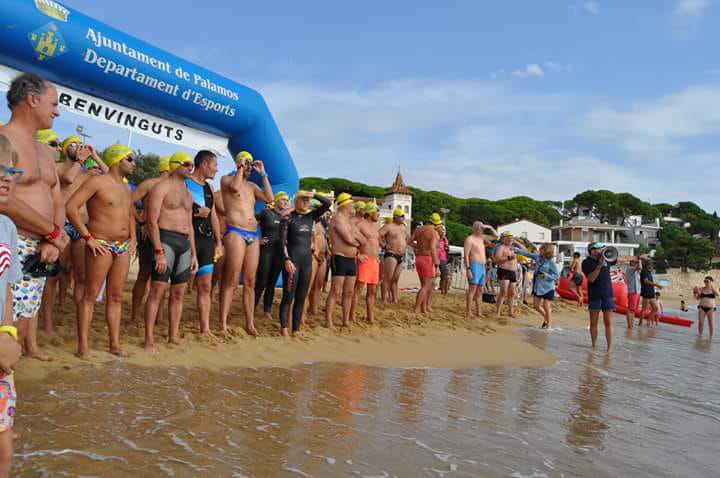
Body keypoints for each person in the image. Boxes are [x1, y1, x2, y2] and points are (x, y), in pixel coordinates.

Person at [1, 72, 64, 362]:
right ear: (32, 99)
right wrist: (52, 233)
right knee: (4, 327)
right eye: (54, 103)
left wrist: (52, 240)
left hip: (41, 249)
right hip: (8, 245)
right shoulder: (3, 140)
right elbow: (5, 199)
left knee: (21, 328)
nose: (57, 110)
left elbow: (57, 199)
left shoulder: (45, 152)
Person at [66, 144, 136, 359]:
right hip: (101, 243)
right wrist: (87, 237)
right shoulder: (97, 182)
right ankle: (83, 346)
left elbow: (130, 214)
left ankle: (114, 344)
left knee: (115, 296)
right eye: (130, 159)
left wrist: (133, 238)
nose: (134, 163)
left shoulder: (125, 187)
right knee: (90, 295)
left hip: (122, 247)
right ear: (117, 160)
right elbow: (71, 207)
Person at [143, 152, 198, 351]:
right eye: (186, 164)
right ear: (175, 166)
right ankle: (149, 338)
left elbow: (190, 224)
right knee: (157, 290)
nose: (190, 167)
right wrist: (158, 251)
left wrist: (194, 254)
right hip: (165, 240)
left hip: (184, 244)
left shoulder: (188, 193)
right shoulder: (161, 187)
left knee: (179, 292)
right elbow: (151, 221)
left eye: (192, 164)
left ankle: (172, 335)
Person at [218, 151, 273, 335]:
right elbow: (234, 188)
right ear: (239, 163)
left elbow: (269, 198)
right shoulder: (227, 180)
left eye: (251, 165)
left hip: (252, 235)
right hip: (235, 232)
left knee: (250, 281)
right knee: (232, 279)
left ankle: (250, 323)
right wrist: (241, 167)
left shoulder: (252, 186)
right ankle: (223, 323)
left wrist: (263, 173)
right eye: (246, 164)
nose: (249, 167)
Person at [0, 133, 26, 475]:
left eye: (11, 170)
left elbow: (6, 287)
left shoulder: (7, 226)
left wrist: (7, 333)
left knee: (4, 448)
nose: (7, 176)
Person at [278, 191, 331, 336]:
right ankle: (283, 328)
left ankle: (296, 329)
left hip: (307, 261)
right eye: (304, 199)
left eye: (308, 200)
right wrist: (287, 260)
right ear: (296, 201)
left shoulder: (310, 217)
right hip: (292, 261)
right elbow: (282, 242)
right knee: (288, 296)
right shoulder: (288, 218)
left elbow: (327, 204)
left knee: (301, 296)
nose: (307, 202)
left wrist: (314, 195)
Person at [186, 151, 224, 335]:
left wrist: (218, 242)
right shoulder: (184, 182)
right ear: (204, 165)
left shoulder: (209, 188)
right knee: (177, 287)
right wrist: (194, 214)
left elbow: (213, 215)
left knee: (205, 286)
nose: (217, 169)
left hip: (206, 242)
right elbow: (173, 208)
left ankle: (205, 328)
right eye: (215, 165)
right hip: (185, 240)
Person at [129, 155, 170, 324]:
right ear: (169, 169)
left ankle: (158, 318)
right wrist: (141, 221)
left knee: (161, 278)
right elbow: (128, 202)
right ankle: (135, 316)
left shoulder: (176, 188)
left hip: (166, 235)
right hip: (148, 234)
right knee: (144, 275)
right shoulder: (150, 184)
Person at [325, 193, 364, 328]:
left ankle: (345, 320)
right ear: (344, 204)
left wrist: (356, 241)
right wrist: (356, 241)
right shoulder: (338, 219)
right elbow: (348, 239)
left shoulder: (349, 221)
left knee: (349, 292)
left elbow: (363, 240)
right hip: (339, 257)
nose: (353, 205)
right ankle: (328, 320)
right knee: (336, 291)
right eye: (351, 203)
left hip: (351, 260)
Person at [254, 192, 289, 321]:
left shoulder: (285, 217)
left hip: (278, 254)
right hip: (266, 252)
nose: (285, 202)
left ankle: (267, 310)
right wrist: (256, 239)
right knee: (261, 282)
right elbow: (250, 223)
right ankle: (251, 308)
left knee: (272, 283)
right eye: (283, 200)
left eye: (287, 201)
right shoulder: (266, 212)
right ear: (277, 200)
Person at [350, 203, 382, 323]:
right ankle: (352, 316)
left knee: (372, 290)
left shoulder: (374, 227)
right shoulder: (360, 225)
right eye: (376, 212)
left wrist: (377, 256)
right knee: (358, 289)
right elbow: (350, 239)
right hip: (365, 260)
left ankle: (370, 316)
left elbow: (375, 243)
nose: (378, 214)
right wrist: (358, 254)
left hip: (374, 261)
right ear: (370, 213)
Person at [516, 243, 560, 329]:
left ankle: (549, 326)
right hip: (538, 286)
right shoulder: (537, 257)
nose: (540, 250)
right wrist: (515, 250)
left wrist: (546, 276)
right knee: (536, 306)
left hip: (548, 287)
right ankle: (546, 318)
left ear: (547, 250)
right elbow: (527, 253)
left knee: (546, 306)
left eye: (542, 249)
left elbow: (557, 275)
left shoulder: (551, 262)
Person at [582, 242, 615, 352]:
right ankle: (594, 345)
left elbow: (622, 258)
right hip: (595, 295)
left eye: (601, 248)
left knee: (608, 322)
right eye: (596, 249)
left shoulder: (607, 258)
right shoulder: (586, 263)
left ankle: (609, 348)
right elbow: (591, 279)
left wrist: (639, 258)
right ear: (591, 250)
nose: (600, 250)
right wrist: (599, 266)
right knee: (594, 322)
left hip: (608, 294)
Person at [463, 221, 498, 318]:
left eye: (482, 228)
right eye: (480, 228)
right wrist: (468, 269)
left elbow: (496, 236)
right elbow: (466, 255)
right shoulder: (470, 239)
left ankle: (479, 312)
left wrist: (489, 227)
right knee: (472, 290)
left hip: (482, 266)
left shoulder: (481, 238)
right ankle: (468, 311)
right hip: (474, 265)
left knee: (480, 291)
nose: (482, 230)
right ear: (475, 228)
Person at [410, 213, 441, 314]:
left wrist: (418, 248)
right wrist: (437, 265)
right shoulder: (434, 233)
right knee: (426, 286)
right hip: (427, 259)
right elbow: (432, 248)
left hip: (419, 258)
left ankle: (423, 308)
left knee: (424, 285)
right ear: (436, 224)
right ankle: (417, 308)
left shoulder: (419, 229)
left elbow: (409, 241)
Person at [378, 207, 408, 303]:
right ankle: (383, 299)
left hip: (401, 256)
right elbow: (377, 235)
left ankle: (394, 299)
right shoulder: (389, 226)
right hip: (391, 254)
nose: (403, 218)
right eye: (401, 216)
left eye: (404, 216)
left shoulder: (403, 227)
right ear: (395, 217)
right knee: (387, 278)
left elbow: (406, 239)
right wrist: (383, 245)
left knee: (395, 279)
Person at [493, 231, 521, 319]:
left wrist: (516, 242)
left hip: (513, 272)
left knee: (512, 293)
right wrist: (508, 258)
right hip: (504, 271)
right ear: (503, 239)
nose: (510, 240)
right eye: (508, 238)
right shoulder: (501, 247)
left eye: (511, 238)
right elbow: (497, 260)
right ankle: (497, 312)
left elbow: (525, 250)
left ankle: (510, 312)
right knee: (503, 292)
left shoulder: (513, 248)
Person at [308, 208, 329, 316]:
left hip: (322, 255)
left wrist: (327, 250)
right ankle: (302, 315)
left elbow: (324, 238)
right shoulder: (309, 220)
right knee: (308, 286)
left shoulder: (321, 223)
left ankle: (314, 310)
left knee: (318, 285)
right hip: (313, 254)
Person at [639, 261, 662, 328]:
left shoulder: (649, 272)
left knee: (655, 308)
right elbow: (645, 281)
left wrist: (655, 285)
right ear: (648, 265)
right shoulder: (644, 271)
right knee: (644, 309)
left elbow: (649, 281)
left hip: (651, 292)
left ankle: (648, 321)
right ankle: (640, 324)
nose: (653, 266)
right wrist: (656, 284)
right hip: (646, 292)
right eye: (652, 265)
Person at [624, 257, 641, 329]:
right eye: (635, 262)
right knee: (630, 309)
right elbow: (640, 267)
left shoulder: (634, 270)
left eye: (636, 262)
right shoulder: (630, 269)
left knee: (633, 310)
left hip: (636, 291)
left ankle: (631, 325)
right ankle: (629, 326)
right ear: (631, 262)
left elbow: (640, 268)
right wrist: (640, 259)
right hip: (633, 291)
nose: (636, 263)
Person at [438, 227, 450, 295]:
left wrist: (447, 246)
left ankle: (444, 291)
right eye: (441, 232)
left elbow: (447, 250)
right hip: (437, 258)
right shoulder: (436, 239)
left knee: (444, 276)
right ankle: (442, 289)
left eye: (443, 232)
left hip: (443, 259)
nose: (443, 234)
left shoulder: (445, 240)